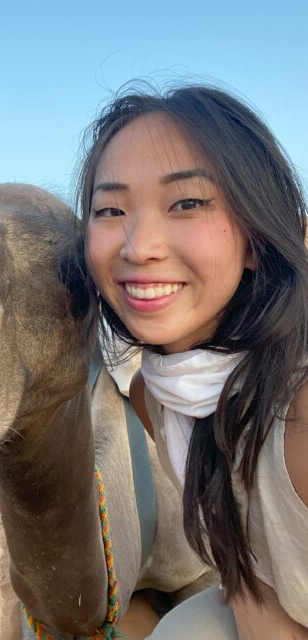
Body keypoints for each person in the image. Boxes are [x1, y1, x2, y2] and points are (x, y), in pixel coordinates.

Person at [76, 83, 308, 639]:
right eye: (110, 209)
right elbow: (244, 555)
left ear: (256, 237)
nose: (138, 245)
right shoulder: (154, 396)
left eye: (187, 203)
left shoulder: (299, 412)